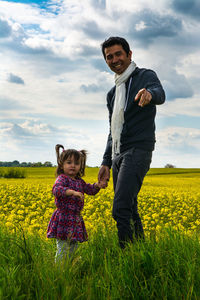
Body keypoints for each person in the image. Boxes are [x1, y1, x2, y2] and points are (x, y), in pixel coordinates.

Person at [98, 36, 165, 249]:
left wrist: (149, 94)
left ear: (129, 54)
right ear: (106, 61)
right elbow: (112, 130)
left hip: (138, 149)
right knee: (130, 207)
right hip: (118, 153)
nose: (115, 59)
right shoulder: (112, 94)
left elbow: (160, 93)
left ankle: (125, 255)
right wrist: (106, 162)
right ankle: (140, 251)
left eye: (118, 54)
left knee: (120, 208)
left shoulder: (145, 76)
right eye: (109, 57)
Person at [47, 144, 103, 261]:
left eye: (76, 163)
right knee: (62, 248)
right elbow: (56, 189)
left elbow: (90, 190)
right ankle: (60, 271)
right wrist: (71, 192)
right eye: (69, 162)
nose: (73, 166)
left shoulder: (79, 181)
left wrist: (98, 185)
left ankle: (71, 269)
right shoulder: (62, 178)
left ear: (80, 166)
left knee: (73, 247)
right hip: (63, 218)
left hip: (75, 219)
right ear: (62, 164)